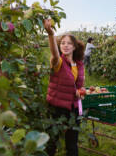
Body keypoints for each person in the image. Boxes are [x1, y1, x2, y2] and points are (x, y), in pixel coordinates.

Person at [43, 19, 85, 156]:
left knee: (72, 145)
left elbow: (79, 86)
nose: (65, 46)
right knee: (51, 143)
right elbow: (54, 53)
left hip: (74, 109)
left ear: (74, 47)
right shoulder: (58, 62)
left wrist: (81, 92)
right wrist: (50, 34)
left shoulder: (78, 64)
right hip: (57, 108)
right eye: (62, 43)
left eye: (69, 43)